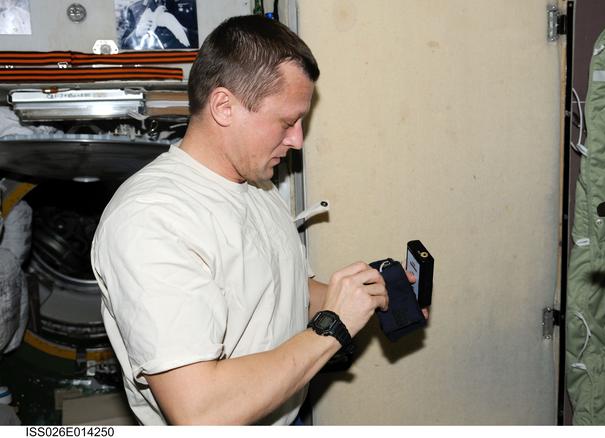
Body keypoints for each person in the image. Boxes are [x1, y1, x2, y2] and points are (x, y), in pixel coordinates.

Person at [91, 15, 420, 425]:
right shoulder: (151, 220)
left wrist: (367, 293)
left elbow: (282, 292)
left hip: (286, 411)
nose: (297, 140)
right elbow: (199, 412)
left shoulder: (257, 184)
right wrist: (334, 327)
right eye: (287, 122)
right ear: (224, 107)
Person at [120, 0, 190, 50]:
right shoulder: (135, 9)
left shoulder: (184, 5)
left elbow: (195, 40)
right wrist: (136, 33)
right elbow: (124, 46)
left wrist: (183, 30)